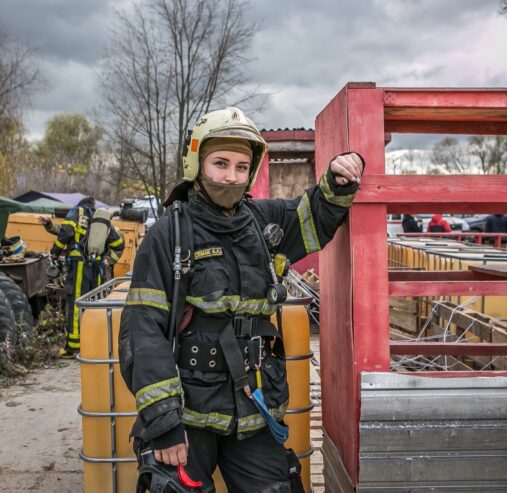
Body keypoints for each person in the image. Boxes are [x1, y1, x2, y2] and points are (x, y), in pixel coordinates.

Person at [118, 107, 364, 492]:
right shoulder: (170, 234)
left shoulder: (264, 223)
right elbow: (142, 331)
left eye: (241, 166)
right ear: (196, 163)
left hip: (254, 406)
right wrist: (164, 424)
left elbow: (316, 215)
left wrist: (340, 176)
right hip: (188, 411)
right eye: (220, 163)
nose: (231, 177)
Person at [41, 197, 124, 358]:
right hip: (97, 270)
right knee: (95, 305)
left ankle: (73, 348)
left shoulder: (77, 212)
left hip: (79, 267)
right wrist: (110, 260)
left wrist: (54, 252)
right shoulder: (101, 221)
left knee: (76, 305)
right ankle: (96, 344)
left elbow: (66, 232)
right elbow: (119, 244)